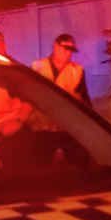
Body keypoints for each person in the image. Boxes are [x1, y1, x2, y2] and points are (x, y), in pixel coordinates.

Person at [28, 34, 92, 165]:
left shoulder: (77, 70)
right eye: (65, 49)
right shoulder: (37, 67)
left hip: (67, 127)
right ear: (55, 46)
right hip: (42, 128)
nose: (68, 53)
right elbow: (28, 96)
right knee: (40, 166)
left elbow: (83, 98)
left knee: (79, 164)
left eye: (71, 50)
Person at [0, 29, 35, 165]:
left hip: (11, 137)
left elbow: (31, 99)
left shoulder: (13, 70)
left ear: (3, 46)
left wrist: (18, 122)